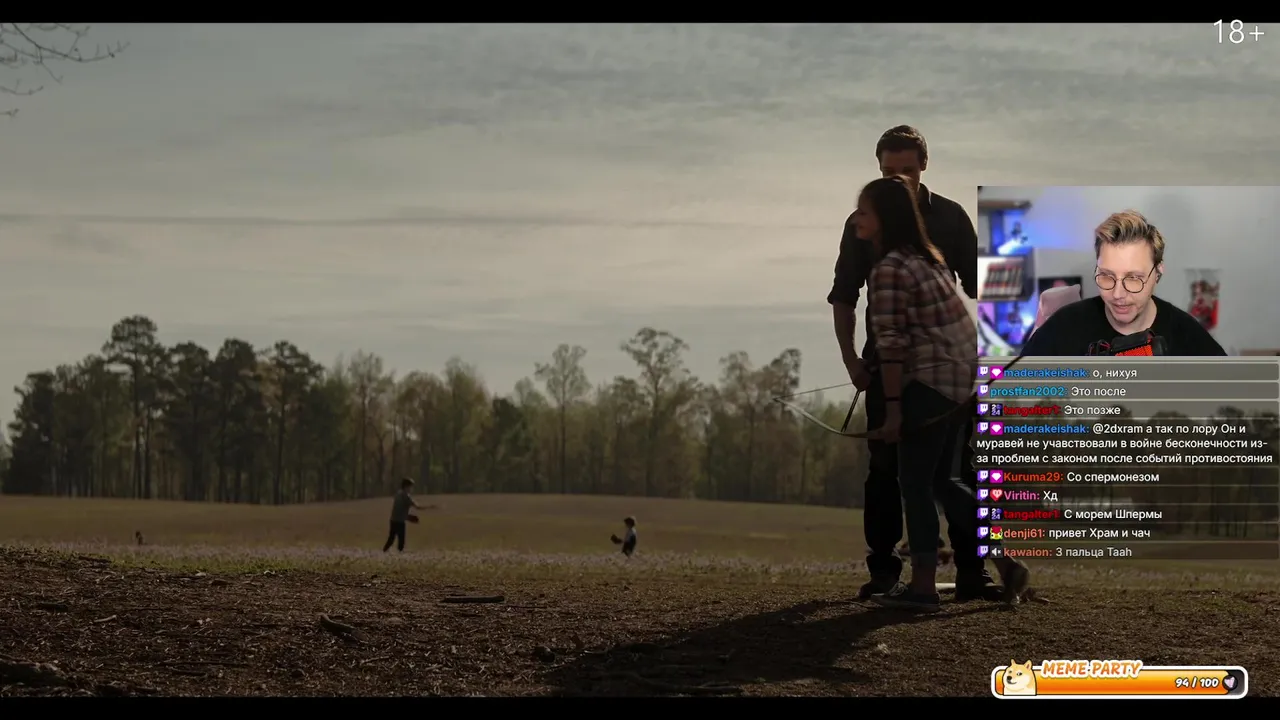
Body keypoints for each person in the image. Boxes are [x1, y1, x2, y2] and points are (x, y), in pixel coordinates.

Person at [827, 125, 998, 602]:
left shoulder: (948, 219)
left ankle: (972, 571)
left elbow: (979, 291)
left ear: (924, 165)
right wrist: (852, 361)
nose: (898, 179)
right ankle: (886, 570)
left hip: (936, 372)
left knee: (946, 472)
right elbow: (844, 296)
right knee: (888, 470)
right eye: (888, 171)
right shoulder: (862, 225)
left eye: (906, 169)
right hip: (890, 364)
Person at [853, 176, 1030, 611]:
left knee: (915, 483)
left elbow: (891, 342)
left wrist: (893, 409)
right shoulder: (928, 260)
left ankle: (923, 588)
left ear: (884, 219)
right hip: (958, 384)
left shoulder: (890, 268)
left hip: (927, 386)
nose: (857, 218)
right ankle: (1004, 560)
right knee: (943, 482)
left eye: (864, 211)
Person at [1020, 210, 1226, 356]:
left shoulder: (1188, 337)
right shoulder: (1063, 326)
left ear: (1157, 272)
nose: (1118, 294)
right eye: (1107, 276)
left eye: (1134, 278)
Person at [383, 477, 422, 553]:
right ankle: (400, 552)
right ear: (406, 486)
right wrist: (431, 507)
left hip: (393, 519)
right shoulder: (406, 496)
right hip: (400, 521)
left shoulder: (398, 493)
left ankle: (385, 550)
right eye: (411, 486)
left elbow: (399, 509)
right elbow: (418, 507)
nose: (412, 489)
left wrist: (407, 517)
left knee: (391, 538)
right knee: (401, 539)